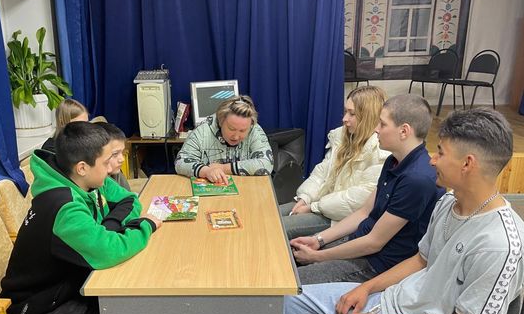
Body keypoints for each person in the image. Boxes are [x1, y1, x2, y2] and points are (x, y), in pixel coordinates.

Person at [282, 108, 523, 314]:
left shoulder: (500, 244)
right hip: (396, 301)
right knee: (291, 300)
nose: (432, 160)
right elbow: (421, 259)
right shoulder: (449, 201)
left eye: (440, 152)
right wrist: (366, 288)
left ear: (467, 163)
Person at [0, 121, 162, 314]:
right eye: (106, 162)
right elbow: (108, 250)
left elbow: (124, 203)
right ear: (83, 167)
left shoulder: (79, 182)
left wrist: (110, 229)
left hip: (67, 286)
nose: (111, 168)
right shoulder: (65, 208)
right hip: (38, 308)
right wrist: (146, 226)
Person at [291, 94, 444, 285]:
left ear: (404, 131)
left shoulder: (417, 179)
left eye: (382, 124)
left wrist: (317, 257)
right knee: (292, 259)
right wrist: (318, 240)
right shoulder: (393, 160)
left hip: (377, 264)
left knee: (291, 283)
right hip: (362, 243)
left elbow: (374, 242)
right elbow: (364, 212)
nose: (376, 129)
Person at [280, 86, 390, 239]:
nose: (344, 118)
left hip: (338, 219)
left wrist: (314, 207)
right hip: (321, 204)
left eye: (352, 114)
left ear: (368, 117)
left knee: (277, 228)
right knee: (269, 214)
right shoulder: (341, 136)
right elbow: (322, 172)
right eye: (345, 112)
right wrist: (304, 197)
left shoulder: (381, 153)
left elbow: (356, 201)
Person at [174, 95, 273, 182]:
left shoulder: (255, 130)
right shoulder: (202, 131)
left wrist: (224, 168)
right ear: (221, 121)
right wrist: (206, 171)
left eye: (242, 131)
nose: (236, 136)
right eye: (231, 129)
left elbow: (267, 163)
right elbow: (180, 162)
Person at [96, 122, 132, 192]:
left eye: (122, 152)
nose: (122, 159)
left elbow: (126, 195)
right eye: (115, 154)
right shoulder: (93, 182)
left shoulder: (116, 173)